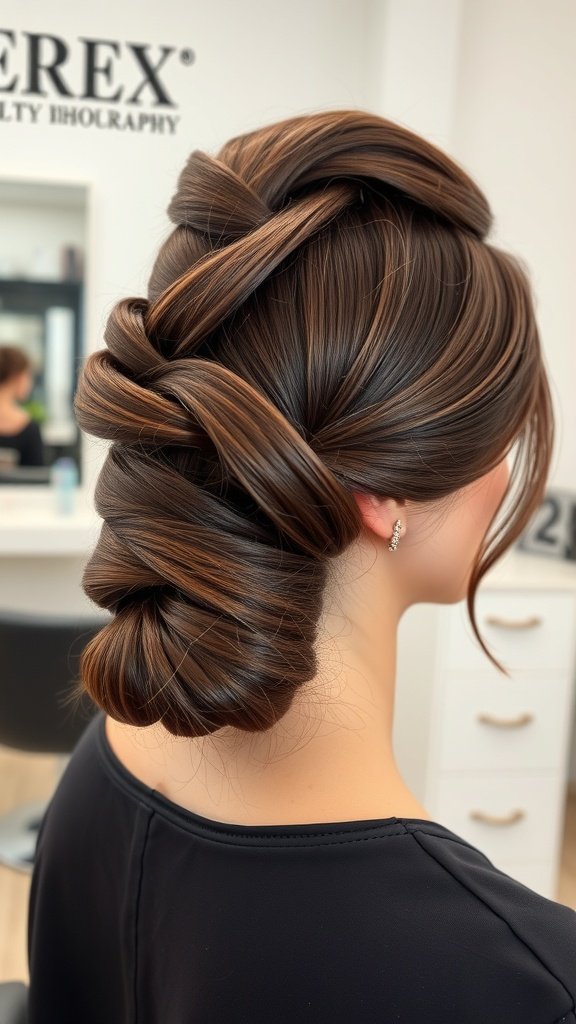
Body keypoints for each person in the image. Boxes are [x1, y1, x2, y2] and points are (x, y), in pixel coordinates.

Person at [27, 110, 575, 1022]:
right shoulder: (524, 986)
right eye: (502, 433)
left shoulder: (103, 764)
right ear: (386, 492)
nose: (504, 475)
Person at [0, 346, 44, 468]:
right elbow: (36, 475)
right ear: (17, 376)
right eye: (28, 375)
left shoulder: (29, 428)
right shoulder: (29, 429)